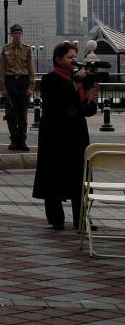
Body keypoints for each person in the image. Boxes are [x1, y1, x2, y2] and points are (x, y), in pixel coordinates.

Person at [32, 41, 98, 230]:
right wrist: (76, 84)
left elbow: (87, 110)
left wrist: (91, 92)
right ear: (58, 59)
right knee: (53, 175)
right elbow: (57, 103)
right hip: (55, 135)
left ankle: (82, 218)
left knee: (80, 175)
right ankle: (56, 218)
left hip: (77, 134)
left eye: (75, 57)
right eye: (69, 57)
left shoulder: (78, 80)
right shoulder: (50, 79)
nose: (73, 61)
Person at [0, 24, 35, 151]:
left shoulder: (27, 49)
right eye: (15, 33)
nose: (17, 35)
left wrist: (31, 87)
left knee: (23, 114)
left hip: (23, 82)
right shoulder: (5, 49)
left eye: (19, 33)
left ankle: (22, 141)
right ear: (11, 35)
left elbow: (31, 69)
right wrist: (2, 88)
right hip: (10, 82)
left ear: (22, 34)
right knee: (11, 113)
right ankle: (14, 140)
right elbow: (2, 70)